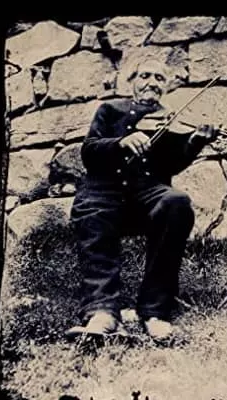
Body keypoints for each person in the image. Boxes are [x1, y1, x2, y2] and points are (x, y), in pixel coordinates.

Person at [66, 58, 218, 340]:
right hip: (103, 191)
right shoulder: (110, 109)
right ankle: (102, 313)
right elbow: (89, 151)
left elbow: (172, 164)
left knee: (176, 202)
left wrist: (196, 140)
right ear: (132, 81)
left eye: (160, 78)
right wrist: (120, 142)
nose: (152, 82)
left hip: (146, 192)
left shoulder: (168, 119)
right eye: (145, 75)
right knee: (94, 216)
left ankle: (154, 312)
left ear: (167, 86)